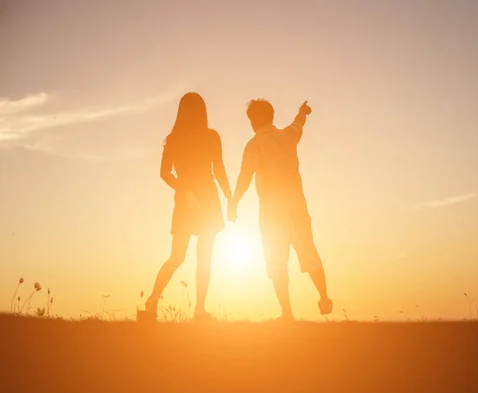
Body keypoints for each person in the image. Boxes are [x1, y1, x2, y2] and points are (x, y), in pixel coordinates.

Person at [228, 99, 332, 321]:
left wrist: (234, 202)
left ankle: (287, 313)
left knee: (277, 260)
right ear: (272, 116)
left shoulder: (254, 144)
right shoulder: (288, 136)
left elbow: (245, 176)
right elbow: (298, 124)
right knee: (308, 250)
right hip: (297, 206)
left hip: (272, 211)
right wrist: (302, 111)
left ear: (252, 121)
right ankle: (324, 297)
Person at [138, 92, 232, 322]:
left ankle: (153, 303)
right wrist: (230, 197)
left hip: (190, 199)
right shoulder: (210, 136)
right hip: (205, 197)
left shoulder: (174, 139)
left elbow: (164, 174)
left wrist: (184, 189)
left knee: (179, 256)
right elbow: (218, 168)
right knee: (201, 256)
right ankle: (198, 310)